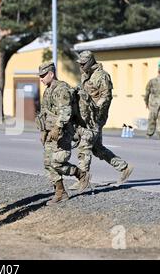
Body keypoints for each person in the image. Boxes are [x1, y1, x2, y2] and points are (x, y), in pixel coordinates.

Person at [70, 51, 133, 189]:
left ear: (91, 61)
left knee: (84, 146)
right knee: (97, 149)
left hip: (96, 117)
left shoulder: (102, 76)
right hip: (86, 116)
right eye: (79, 63)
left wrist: (96, 113)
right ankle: (124, 167)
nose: (81, 66)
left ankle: (83, 179)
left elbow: (106, 97)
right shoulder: (86, 74)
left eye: (83, 63)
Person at [35, 62, 90, 204]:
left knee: (57, 162)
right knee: (48, 164)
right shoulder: (48, 90)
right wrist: (43, 130)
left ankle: (81, 174)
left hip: (63, 132)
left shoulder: (62, 89)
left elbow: (66, 111)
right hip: (50, 133)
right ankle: (60, 193)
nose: (41, 78)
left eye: (43, 75)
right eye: (39, 76)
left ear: (51, 74)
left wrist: (57, 128)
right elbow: (44, 113)